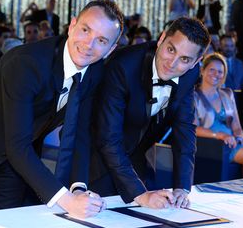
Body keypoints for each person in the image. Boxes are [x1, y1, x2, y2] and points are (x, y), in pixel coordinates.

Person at [0, 0, 124, 228]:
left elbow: (78, 134)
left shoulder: (94, 71)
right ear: (72, 26)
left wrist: (78, 188)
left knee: (9, 224)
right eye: (85, 30)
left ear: (111, 49)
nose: (89, 44)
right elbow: (17, 145)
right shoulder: (27, 63)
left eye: (102, 40)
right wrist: (66, 201)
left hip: (17, 156)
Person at [89, 17, 210, 209]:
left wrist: (182, 188)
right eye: (171, 50)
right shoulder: (123, 66)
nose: (172, 63)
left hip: (135, 154)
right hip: (95, 156)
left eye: (185, 59)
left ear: (196, 62)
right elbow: (108, 139)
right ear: (161, 39)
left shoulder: (190, 75)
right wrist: (139, 194)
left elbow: (185, 131)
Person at [194, 53, 243, 177]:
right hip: (212, 143)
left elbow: (236, 125)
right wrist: (220, 135)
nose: (216, 74)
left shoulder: (227, 94)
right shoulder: (194, 96)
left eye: (220, 71)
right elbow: (194, 129)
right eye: (212, 70)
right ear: (202, 71)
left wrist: (239, 138)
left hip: (232, 140)